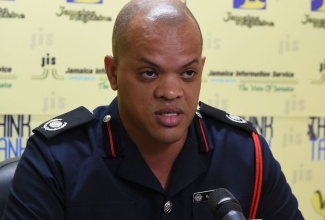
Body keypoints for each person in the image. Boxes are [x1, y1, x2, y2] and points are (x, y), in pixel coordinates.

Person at [2, 0, 304, 219]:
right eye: (149, 73)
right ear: (113, 73)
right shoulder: (55, 158)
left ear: (201, 69)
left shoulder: (246, 154)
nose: (171, 92)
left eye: (187, 73)